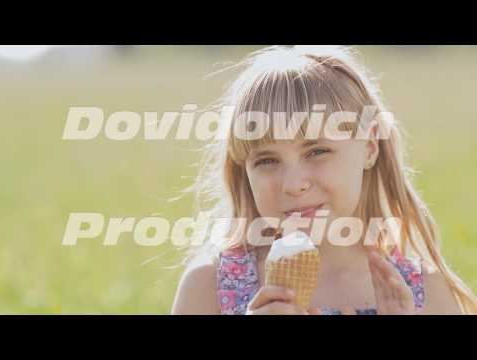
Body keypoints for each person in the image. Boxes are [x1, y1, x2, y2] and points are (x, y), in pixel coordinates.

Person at [172, 45, 477, 315]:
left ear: (370, 147)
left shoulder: (422, 293)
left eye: (317, 151)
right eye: (267, 160)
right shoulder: (209, 287)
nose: (293, 183)